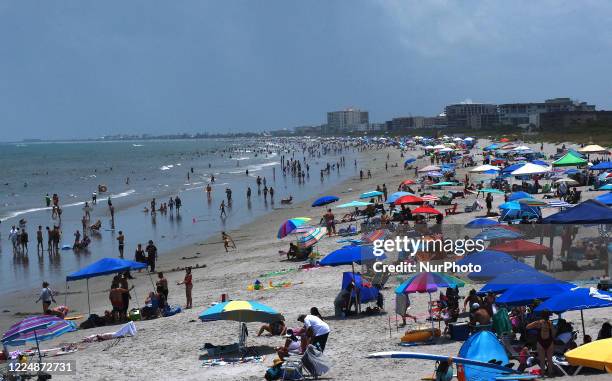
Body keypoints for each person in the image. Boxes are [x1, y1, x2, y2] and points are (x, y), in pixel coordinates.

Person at [526, 310, 555, 377]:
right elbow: (553, 334)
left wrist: (535, 326)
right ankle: (550, 374)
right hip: (549, 341)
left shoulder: (538, 323)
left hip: (540, 342)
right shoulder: (550, 323)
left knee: (542, 360)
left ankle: (542, 374)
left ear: (541, 315)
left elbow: (527, 327)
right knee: (549, 360)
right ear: (548, 316)